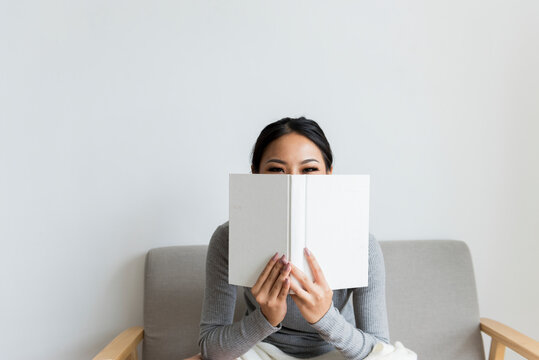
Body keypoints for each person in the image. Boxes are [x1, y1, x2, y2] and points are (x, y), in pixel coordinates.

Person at [197, 117, 390, 360]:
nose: (294, 181)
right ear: (255, 175)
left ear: (329, 174)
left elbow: (382, 350)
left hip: (337, 353)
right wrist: (266, 318)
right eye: (276, 170)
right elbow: (210, 347)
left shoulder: (363, 244)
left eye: (309, 169)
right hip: (261, 352)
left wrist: (325, 318)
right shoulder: (228, 238)